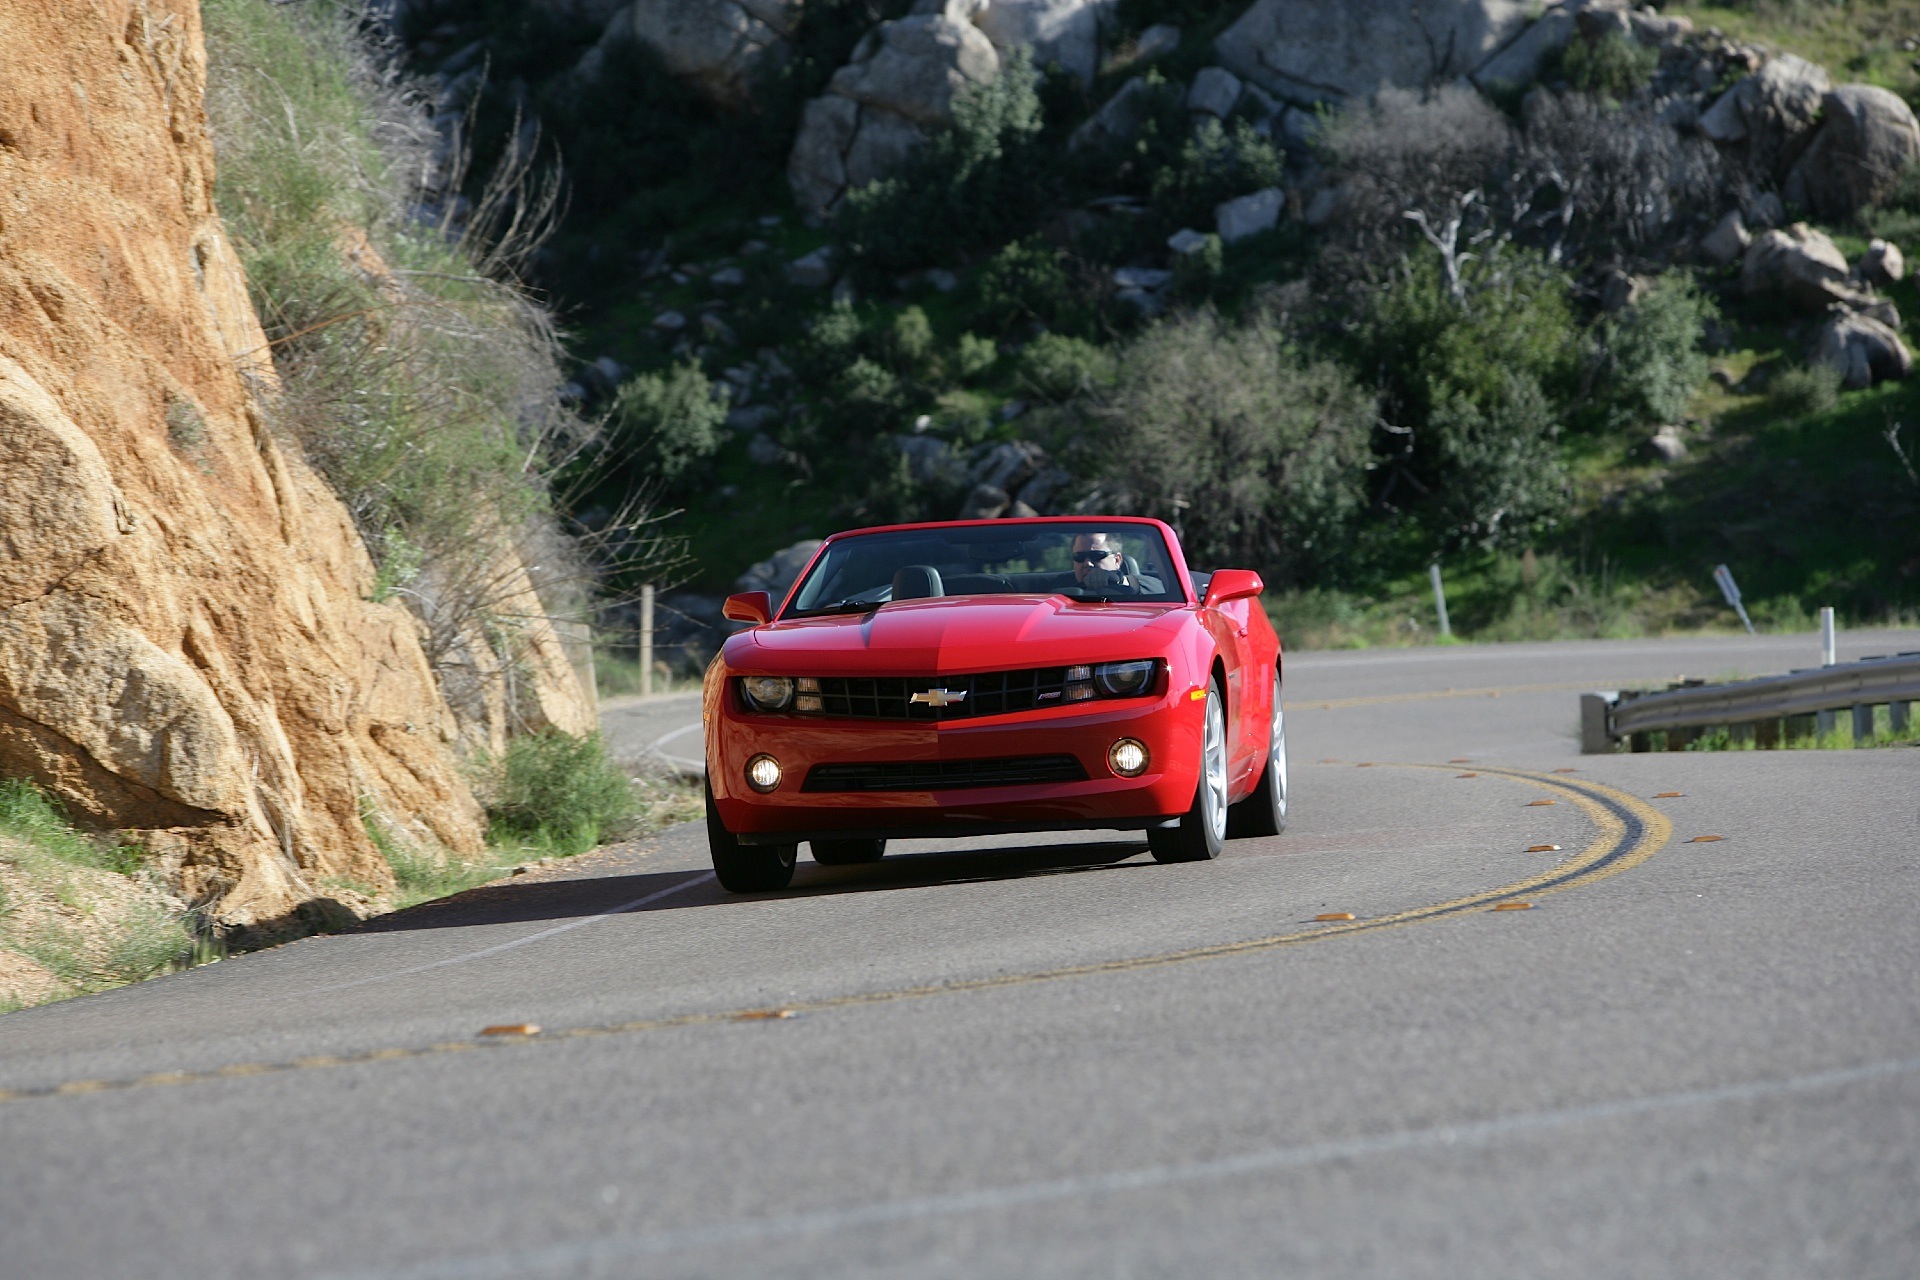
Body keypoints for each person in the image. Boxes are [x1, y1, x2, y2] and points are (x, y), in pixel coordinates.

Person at [1066, 531, 1162, 595]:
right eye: (1079, 556)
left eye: (1096, 555)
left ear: (1117, 560)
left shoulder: (1153, 589)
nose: (1088, 563)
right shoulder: (1059, 591)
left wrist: (1118, 581)